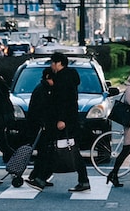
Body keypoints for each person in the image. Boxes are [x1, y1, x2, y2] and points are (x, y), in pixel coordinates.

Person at [30, 54, 93, 193]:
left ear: (59, 63)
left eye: (53, 63)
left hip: (64, 121)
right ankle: (42, 178)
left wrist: (62, 119)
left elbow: (65, 101)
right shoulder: (69, 77)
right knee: (61, 148)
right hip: (67, 120)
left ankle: (42, 179)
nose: (52, 66)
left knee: (66, 149)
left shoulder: (63, 79)